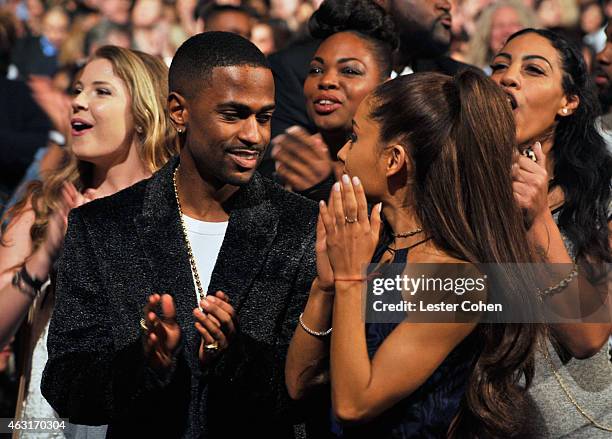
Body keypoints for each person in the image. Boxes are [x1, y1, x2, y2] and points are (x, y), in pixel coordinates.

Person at [41, 32, 318, 438]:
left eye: (263, 117)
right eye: (233, 115)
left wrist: (235, 354)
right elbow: (65, 384)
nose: (254, 136)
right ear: (179, 111)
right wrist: (145, 362)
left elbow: (312, 386)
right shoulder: (102, 227)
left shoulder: (301, 226)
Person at [286, 70, 542, 438]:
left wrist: (348, 281)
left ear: (393, 160)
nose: (342, 153)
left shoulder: (458, 283)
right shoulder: (369, 245)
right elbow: (298, 383)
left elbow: (354, 404)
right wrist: (325, 287)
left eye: (355, 137)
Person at [0, 46, 177, 436]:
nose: (78, 101)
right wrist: (47, 253)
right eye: (78, 89)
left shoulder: (180, 208)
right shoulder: (46, 203)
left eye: (101, 91)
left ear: (145, 112)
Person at [490, 28, 612, 437]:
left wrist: (538, 217)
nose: (507, 77)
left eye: (533, 70)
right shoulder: (457, 191)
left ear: (568, 102)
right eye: (499, 66)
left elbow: (587, 334)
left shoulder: (604, 193)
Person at [264, 0, 474, 177]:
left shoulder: (459, 82)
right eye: (316, 70)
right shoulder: (289, 69)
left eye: (351, 71)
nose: (445, 4)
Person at [269, 0, 398, 200]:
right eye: (316, 70)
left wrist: (321, 190)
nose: (326, 81)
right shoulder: (282, 168)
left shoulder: (401, 176)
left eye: (349, 71)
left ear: (386, 89)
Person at [465, 0, 538, 72]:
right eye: (499, 25)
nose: (506, 31)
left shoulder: (539, 75)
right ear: (487, 33)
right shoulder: (479, 77)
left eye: (513, 24)